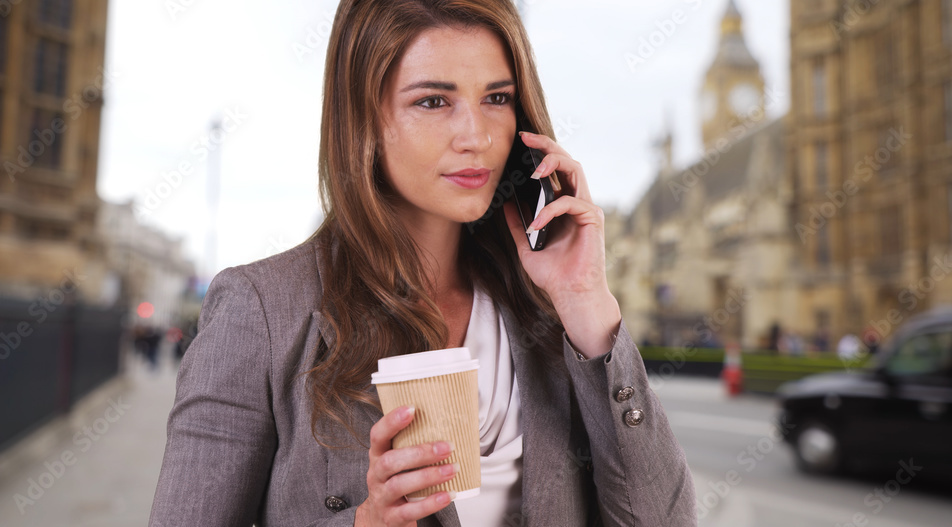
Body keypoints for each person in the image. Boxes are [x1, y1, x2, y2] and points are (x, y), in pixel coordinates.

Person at [148, 1, 696, 526]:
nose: (476, 137)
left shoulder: (551, 315)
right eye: (434, 101)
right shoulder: (262, 312)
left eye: (497, 98)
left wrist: (586, 300)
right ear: (363, 118)